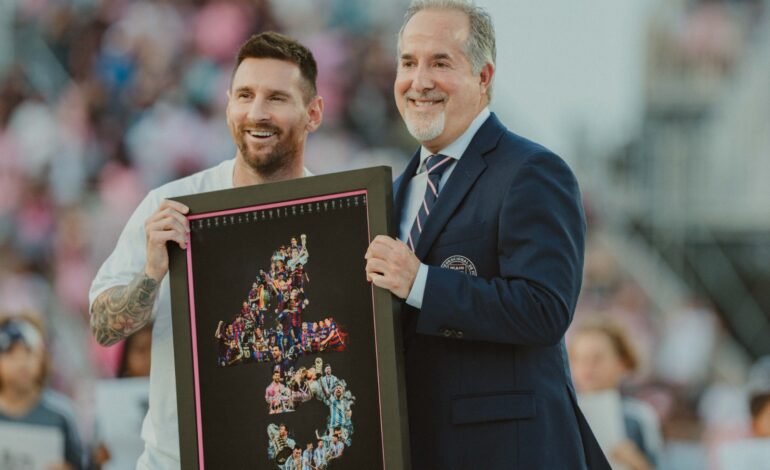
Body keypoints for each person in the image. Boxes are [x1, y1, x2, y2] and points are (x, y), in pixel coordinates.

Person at [363, 1, 609, 468]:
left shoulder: (533, 170)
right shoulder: (390, 196)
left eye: (441, 62)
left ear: (483, 76)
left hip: (510, 452)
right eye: (409, 63)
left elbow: (545, 309)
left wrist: (422, 283)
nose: (420, 81)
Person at [89, 31, 324, 469]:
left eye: (276, 97)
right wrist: (152, 274)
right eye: (244, 95)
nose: (257, 112)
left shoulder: (337, 216)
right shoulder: (173, 203)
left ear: (313, 113)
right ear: (228, 104)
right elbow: (104, 328)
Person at [569, 319, 662, 470]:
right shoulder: (563, 414)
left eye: (597, 358)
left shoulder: (638, 416)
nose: (587, 366)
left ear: (621, 363)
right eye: (579, 358)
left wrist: (635, 461)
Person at [0, 314, 84, 470]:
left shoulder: (61, 415)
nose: (21, 361)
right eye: (10, 351)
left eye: (29, 351)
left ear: (42, 358)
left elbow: (81, 464)